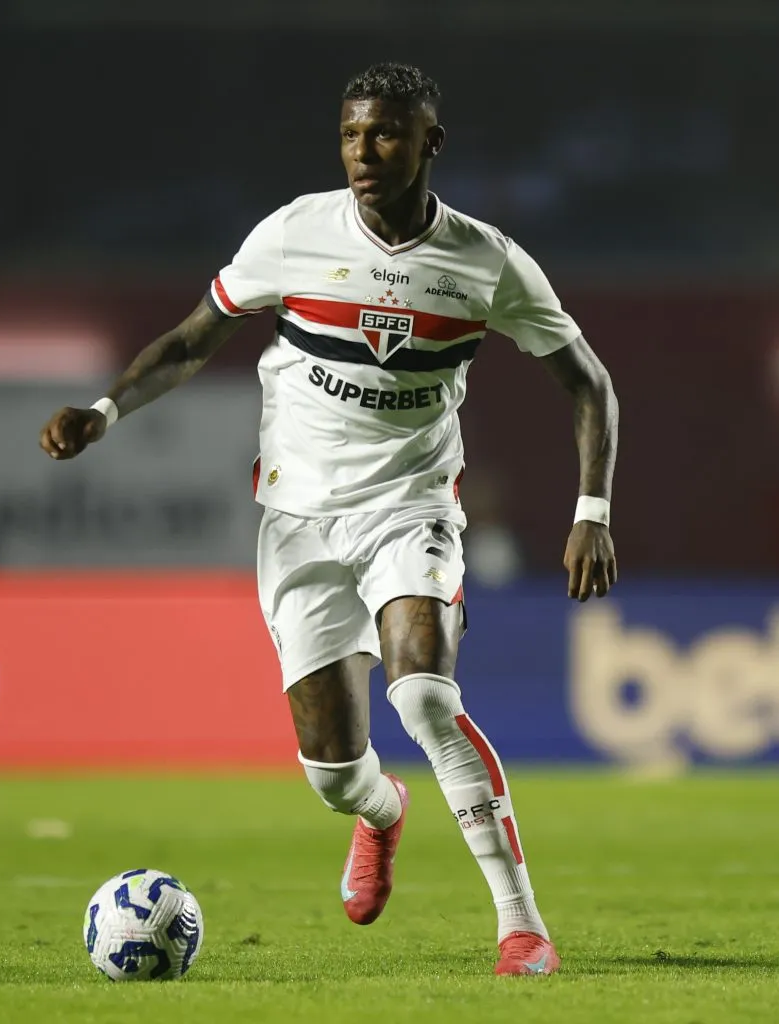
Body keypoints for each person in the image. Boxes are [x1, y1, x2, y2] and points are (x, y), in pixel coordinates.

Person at [39, 62, 618, 976]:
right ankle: (382, 812)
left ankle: (521, 927)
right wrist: (103, 412)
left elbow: (585, 377)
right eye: (350, 134)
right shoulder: (294, 234)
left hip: (411, 508)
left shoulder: (485, 261)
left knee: (424, 697)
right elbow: (196, 335)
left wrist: (592, 509)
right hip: (297, 520)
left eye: (385, 134)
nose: (362, 152)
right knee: (332, 773)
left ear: (430, 142)